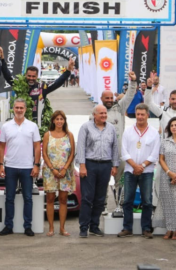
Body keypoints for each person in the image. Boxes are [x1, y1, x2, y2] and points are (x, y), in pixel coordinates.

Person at [0, 98, 41, 237]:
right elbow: (1, 146)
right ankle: (8, 226)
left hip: (28, 167)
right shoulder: (6, 126)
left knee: (28, 198)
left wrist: (36, 165)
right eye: (17, 107)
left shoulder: (32, 126)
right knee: (9, 197)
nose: (19, 110)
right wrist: (0, 164)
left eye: (21, 108)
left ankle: (27, 226)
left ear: (25, 109)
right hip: (10, 166)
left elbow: (37, 147)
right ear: (13, 109)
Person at [118, 103, 160, 239]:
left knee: (147, 201)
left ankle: (146, 229)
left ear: (148, 115)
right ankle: (127, 228)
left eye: (143, 114)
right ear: (135, 115)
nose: (140, 117)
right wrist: (135, 166)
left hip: (147, 171)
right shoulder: (128, 131)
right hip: (130, 170)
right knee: (128, 201)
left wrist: (141, 166)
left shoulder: (154, 132)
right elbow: (123, 152)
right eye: (138, 114)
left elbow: (155, 153)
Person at [76, 104, 119, 238]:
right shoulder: (85, 127)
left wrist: (115, 165)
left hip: (105, 165)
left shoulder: (111, 128)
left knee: (100, 198)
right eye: (101, 113)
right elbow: (81, 147)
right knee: (87, 198)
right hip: (90, 165)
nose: (104, 116)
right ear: (94, 115)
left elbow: (115, 147)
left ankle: (94, 226)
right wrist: (82, 166)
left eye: (105, 113)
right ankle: (84, 227)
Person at [100, 70, 137, 214]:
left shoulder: (120, 108)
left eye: (111, 97)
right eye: (106, 98)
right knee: (103, 180)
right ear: (102, 98)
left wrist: (133, 82)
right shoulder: (96, 111)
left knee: (120, 180)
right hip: (103, 153)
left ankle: (119, 206)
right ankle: (102, 205)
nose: (109, 100)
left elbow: (130, 95)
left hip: (119, 152)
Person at [1, 53, 75, 123]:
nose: (31, 78)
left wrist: (68, 70)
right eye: (29, 76)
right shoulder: (20, 85)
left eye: (33, 76)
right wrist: (2, 60)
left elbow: (57, 83)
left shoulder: (42, 87)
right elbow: (8, 77)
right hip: (20, 121)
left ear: (37, 77)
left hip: (38, 122)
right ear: (25, 75)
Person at [42, 110, 76, 237]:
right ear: (53, 121)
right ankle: (51, 228)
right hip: (50, 171)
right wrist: (53, 169)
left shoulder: (69, 135)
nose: (59, 121)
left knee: (63, 199)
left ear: (64, 121)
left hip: (65, 171)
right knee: (50, 199)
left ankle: (62, 228)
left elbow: (72, 153)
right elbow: (44, 153)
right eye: (57, 119)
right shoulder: (47, 135)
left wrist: (65, 168)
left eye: (62, 119)